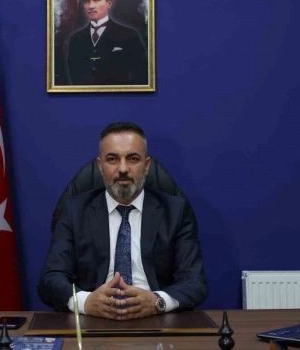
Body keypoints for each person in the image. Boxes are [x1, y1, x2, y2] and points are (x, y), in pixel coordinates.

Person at [38, 122, 207, 320]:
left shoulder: (175, 211)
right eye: (113, 159)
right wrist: (85, 302)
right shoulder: (75, 211)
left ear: (147, 165)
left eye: (133, 159)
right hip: (93, 320)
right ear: (100, 166)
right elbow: (50, 280)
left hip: (156, 319)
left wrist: (157, 301)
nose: (123, 169)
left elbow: (195, 282)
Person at [66, 0, 149, 86]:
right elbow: (74, 76)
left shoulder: (129, 35)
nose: (91, 6)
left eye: (96, 0)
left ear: (109, 3)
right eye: (87, 1)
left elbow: (142, 74)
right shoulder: (75, 39)